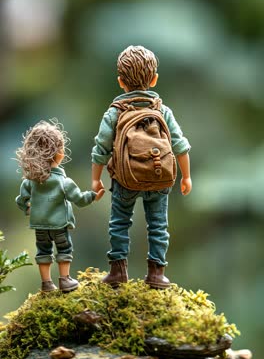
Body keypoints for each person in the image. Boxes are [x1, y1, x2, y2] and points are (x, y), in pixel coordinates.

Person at [91, 45, 192, 288]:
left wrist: (96, 179)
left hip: (124, 180)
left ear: (120, 82)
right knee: (158, 225)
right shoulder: (162, 110)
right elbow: (179, 145)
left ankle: (118, 271)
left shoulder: (114, 113)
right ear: (154, 79)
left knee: (119, 222)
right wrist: (186, 176)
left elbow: (101, 149)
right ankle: (157, 274)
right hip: (159, 176)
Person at [16, 119, 104, 293]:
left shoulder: (30, 182)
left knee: (43, 251)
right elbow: (79, 199)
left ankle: (46, 284)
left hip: (40, 225)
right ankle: (65, 280)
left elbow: (20, 200)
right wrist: (93, 196)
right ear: (58, 153)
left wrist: (28, 209)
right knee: (64, 249)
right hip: (59, 225)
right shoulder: (63, 182)